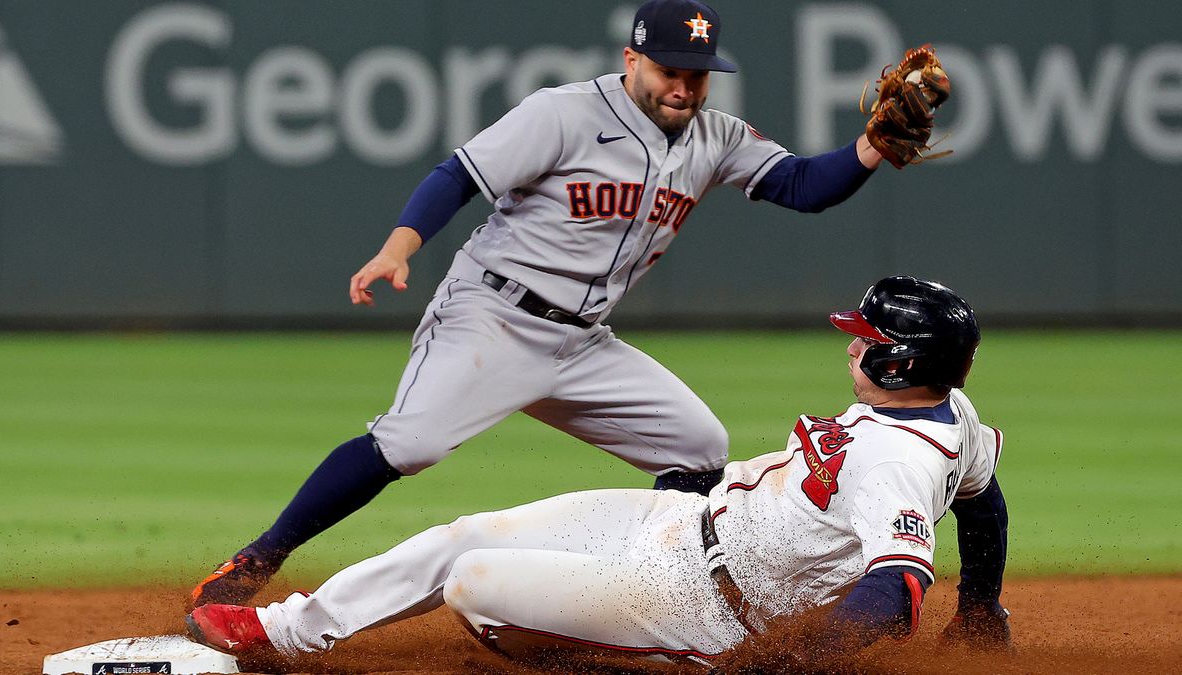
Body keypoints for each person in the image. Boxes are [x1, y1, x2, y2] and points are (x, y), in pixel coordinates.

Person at [191, 0, 942, 607]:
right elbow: (459, 173)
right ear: (631, 60)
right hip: (491, 314)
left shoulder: (714, 136)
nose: (684, 86)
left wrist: (871, 149)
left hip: (583, 342)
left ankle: (656, 588)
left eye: (699, 73)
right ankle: (258, 558)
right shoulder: (562, 113)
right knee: (409, 444)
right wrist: (399, 247)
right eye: (670, 69)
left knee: (699, 445)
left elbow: (805, 187)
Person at [186, 276, 1011, 670]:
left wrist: (797, 663)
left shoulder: (897, 458)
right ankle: (285, 631)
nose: (851, 341)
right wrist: (980, 613)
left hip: (704, 606)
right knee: (468, 532)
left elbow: (894, 591)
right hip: (685, 529)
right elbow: (984, 501)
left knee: (473, 581)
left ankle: (636, 658)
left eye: (866, 336)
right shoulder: (951, 420)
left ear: (902, 360)